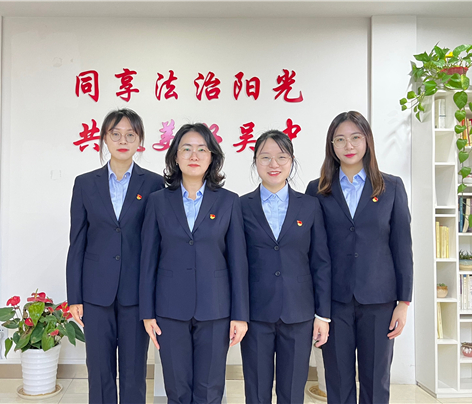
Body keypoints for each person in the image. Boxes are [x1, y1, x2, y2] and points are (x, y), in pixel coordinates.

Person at [306, 111, 413, 404]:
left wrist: (403, 303)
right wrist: (317, 307)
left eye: (355, 137)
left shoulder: (391, 187)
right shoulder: (317, 190)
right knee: (337, 382)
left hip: (380, 301)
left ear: (367, 141)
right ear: (331, 145)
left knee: (376, 382)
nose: (348, 145)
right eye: (340, 139)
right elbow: (314, 251)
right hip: (334, 303)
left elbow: (402, 247)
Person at [139, 123, 249, 404]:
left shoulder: (229, 202)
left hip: (215, 309)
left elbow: (238, 263)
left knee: (210, 390)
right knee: (176, 389)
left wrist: (240, 315)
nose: (194, 155)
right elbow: (148, 260)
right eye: (186, 149)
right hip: (169, 310)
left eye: (202, 149)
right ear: (175, 156)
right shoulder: (157, 201)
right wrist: (147, 312)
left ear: (212, 157)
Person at [66, 108, 165, 404]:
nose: (123, 141)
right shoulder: (85, 183)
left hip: (136, 294)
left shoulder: (154, 184)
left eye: (130, 135)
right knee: (99, 370)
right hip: (96, 293)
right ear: (104, 139)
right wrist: (75, 296)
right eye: (116, 134)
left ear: (140, 141)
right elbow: (77, 242)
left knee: (134, 371)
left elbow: (157, 244)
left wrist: (154, 297)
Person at [240, 130, 332, 404]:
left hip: (298, 314)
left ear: (291, 161)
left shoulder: (310, 206)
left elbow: (321, 262)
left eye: (281, 157)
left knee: (292, 393)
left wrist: (323, 315)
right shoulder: (240, 206)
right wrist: (238, 313)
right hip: (256, 314)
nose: (274, 164)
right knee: (256, 392)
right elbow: (236, 263)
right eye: (265, 157)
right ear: (255, 162)